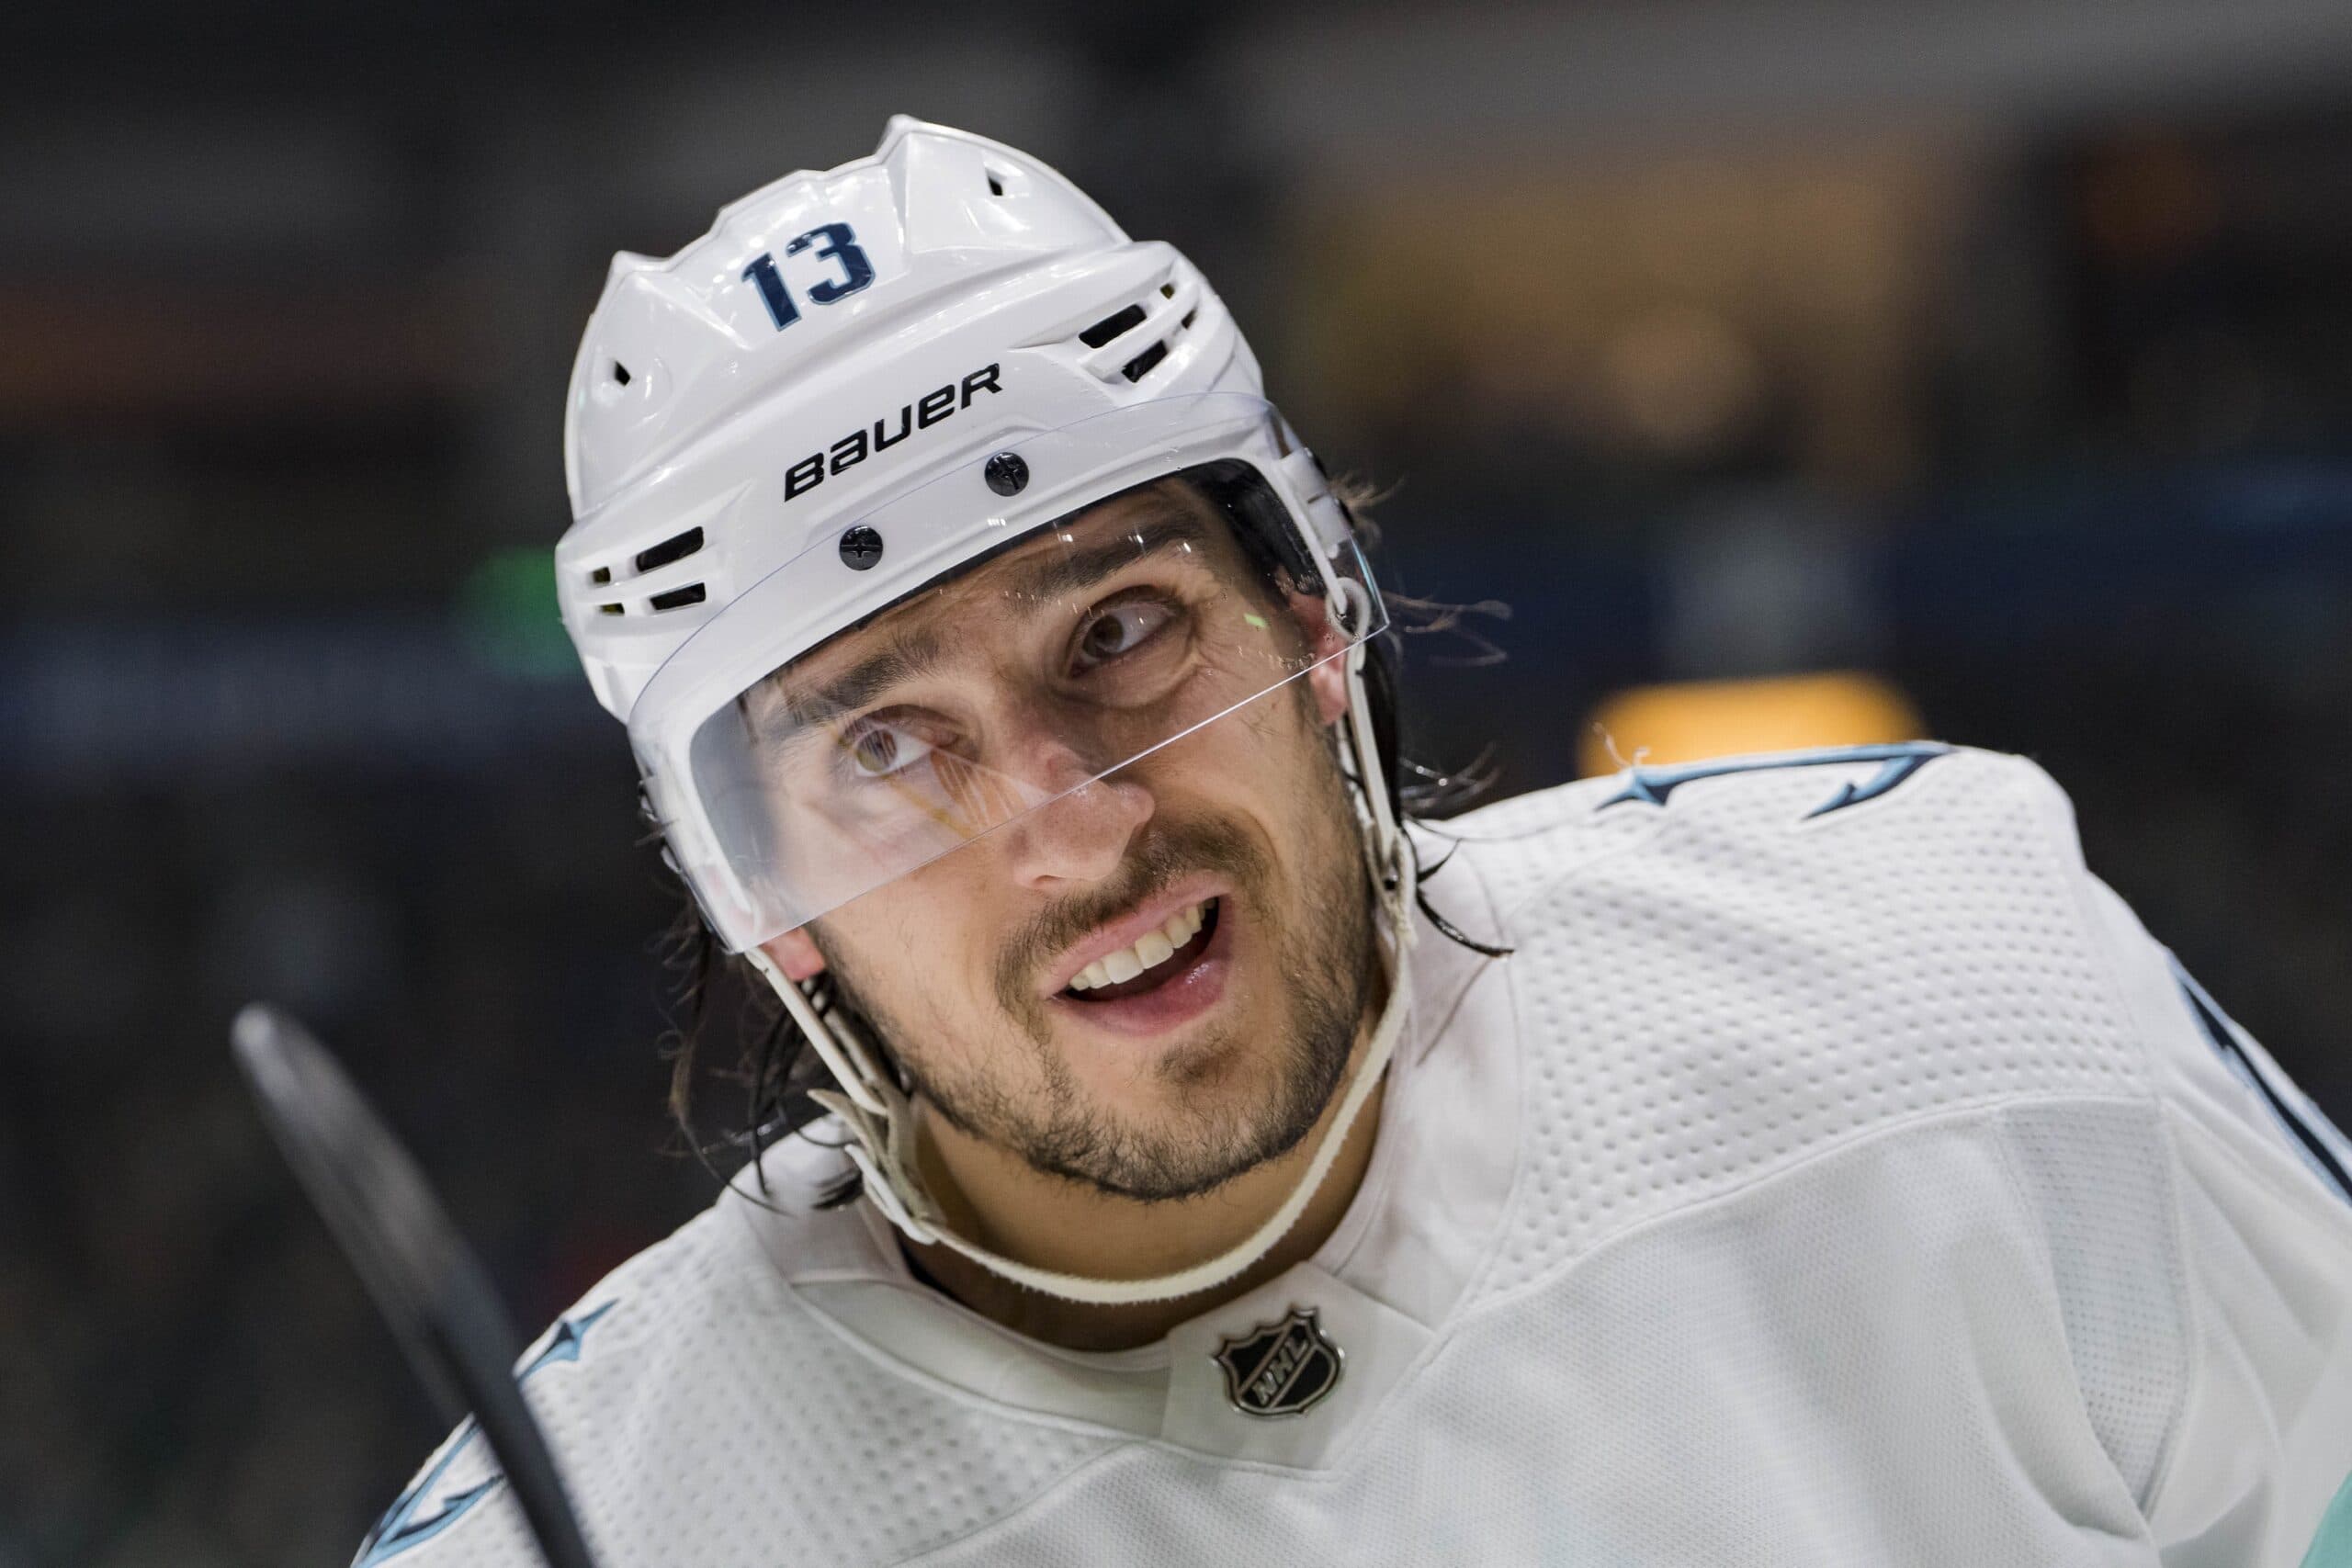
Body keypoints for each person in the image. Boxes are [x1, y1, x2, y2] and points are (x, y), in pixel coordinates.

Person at [359, 118, 2352, 1566]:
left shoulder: (1948, 994)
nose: (1070, 825)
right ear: (758, 895)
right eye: (890, 747)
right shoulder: (614, 1519)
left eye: (1119, 635)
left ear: (1317, 621)